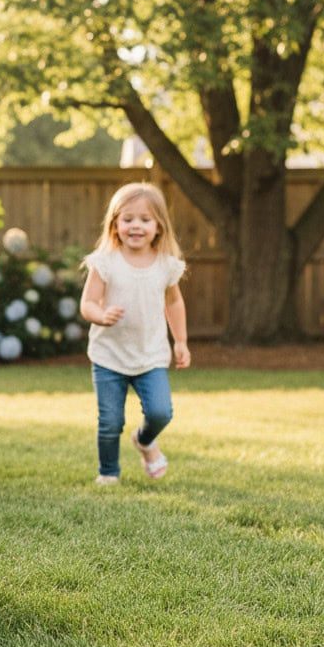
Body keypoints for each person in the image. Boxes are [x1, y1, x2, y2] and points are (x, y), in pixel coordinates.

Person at [79, 182, 189, 486]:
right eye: (128, 219)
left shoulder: (166, 266)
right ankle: (109, 472)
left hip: (150, 356)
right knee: (110, 422)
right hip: (108, 357)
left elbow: (174, 302)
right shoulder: (104, 263)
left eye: (145, 219)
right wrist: (100, 315)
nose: (136, 226)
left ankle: (144, 440)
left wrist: (180, 341)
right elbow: (87, 303)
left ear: (158, 226)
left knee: (160, 412)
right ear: (115, 223)